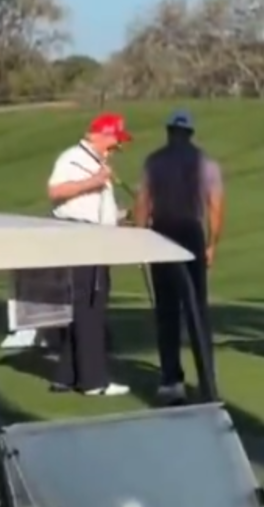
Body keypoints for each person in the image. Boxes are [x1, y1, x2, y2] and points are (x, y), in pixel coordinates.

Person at [134, 110, 224, 403]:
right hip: (190, 233)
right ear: (190, 134)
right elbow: (215, 208)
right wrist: (212, 244)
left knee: (167, 310)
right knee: (196, 308)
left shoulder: (154, 161)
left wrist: (140, 238)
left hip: (163, 232)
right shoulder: (207, 163)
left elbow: (143, 202)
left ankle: (172, 380)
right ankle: (207, 380)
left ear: (170, 131)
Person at [46, 113, 132, 396]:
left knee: (82, 307)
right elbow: (56, 191)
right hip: (80, 239)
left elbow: (95, 207)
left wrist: (125, 216)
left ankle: (67, 375)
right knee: (90, 308)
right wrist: (95, 181)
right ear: (101, 135)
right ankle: (93, 381)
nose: (116, 148)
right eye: (115, 142)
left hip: (94, 239)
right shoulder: (72, 158)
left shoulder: (97, 163)